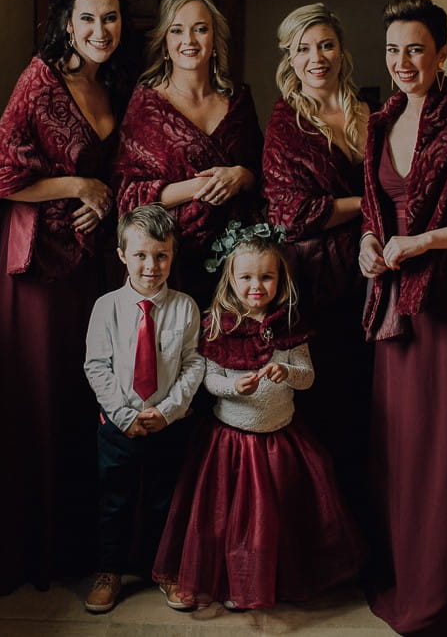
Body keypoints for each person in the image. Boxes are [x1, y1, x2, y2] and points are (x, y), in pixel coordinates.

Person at [0, 0, 130, 594]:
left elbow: (117, 171)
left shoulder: (112, 82)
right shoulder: (39, 80)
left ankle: (77, 550)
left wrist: (105, 195)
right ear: (67, 22)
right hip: (36, 270)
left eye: (111, 18)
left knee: (82, 398)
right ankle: (28, 552)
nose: (100, 30)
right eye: (89, 18)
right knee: (37, 398)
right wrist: (76, 186)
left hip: (89, 267)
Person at [152, 225, 364, 611]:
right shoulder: (218, 324)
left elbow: (309, 377)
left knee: (270, 522)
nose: (256, 286)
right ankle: (228, 582)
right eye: (246, 277)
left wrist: (289, 374)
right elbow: (211, 379)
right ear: (230, 279)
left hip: (279, 442)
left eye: (266, 277)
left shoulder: (289, 326)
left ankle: (259, 583)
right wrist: (236, 389)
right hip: (229, 445)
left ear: (280, 280)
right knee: (225, 522)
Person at [358, 0, 447, 637]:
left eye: (415, 49)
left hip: (446, 305)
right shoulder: (378, 121)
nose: (402, 62)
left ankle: (441, 592)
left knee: (441, 446)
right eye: (392, 50)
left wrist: (426, 242)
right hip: (392, 310)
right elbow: (377, 207)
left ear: (441, 52)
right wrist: (369, 245)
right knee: (398, 446)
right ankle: (405, 576)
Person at [262, 2, 371, 515]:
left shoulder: (372, 114)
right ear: (290, 58)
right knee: (321, 403)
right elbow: (291, 215)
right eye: (303, 48)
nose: (316, 57)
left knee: (366, 401)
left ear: (341, 50)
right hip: (315, 281)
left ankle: (359, 528)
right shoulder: (286, 124)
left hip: (371, 274)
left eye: (325, 44)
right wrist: (367, 205)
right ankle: (318, 526)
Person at [84, 204, 204, 614]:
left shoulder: (186, 308)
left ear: (172, 255)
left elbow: (193, 363)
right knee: (114, 502)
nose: (151, 265)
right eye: (140, 255)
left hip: (169, 425)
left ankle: (165, 571)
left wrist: (168, 411)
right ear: (122, 255)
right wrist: (124, 416)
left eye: (161, 255)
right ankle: (108, 571)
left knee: (164, 501)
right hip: (118, 428)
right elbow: (96, 366)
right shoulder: (106, 307)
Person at [114, 0, 263, 308]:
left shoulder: (239, 101)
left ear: (214, 40)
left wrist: (239, 176)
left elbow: (263, 177)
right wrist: (197, 187)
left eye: (200, 29)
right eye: (177, 30)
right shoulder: (146, 104)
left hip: (237, 261)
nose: (189, 40)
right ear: (165, 43)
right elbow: (128, 196)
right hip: (172, 259)